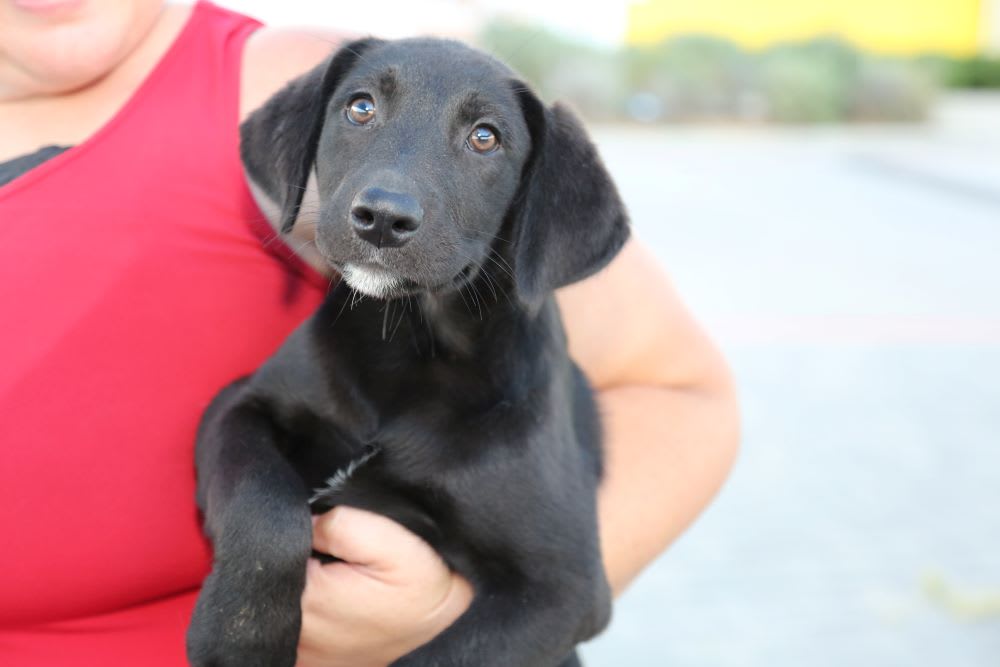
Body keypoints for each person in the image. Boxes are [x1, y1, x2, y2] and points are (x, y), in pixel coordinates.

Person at [0, 1, 740, 665]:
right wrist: (259, 547)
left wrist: (437, 622)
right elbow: (248, 415)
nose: (387, 200)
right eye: (362, 111)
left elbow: (674, 395)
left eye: (482, 137)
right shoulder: (309, 135)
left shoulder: (269, 71)